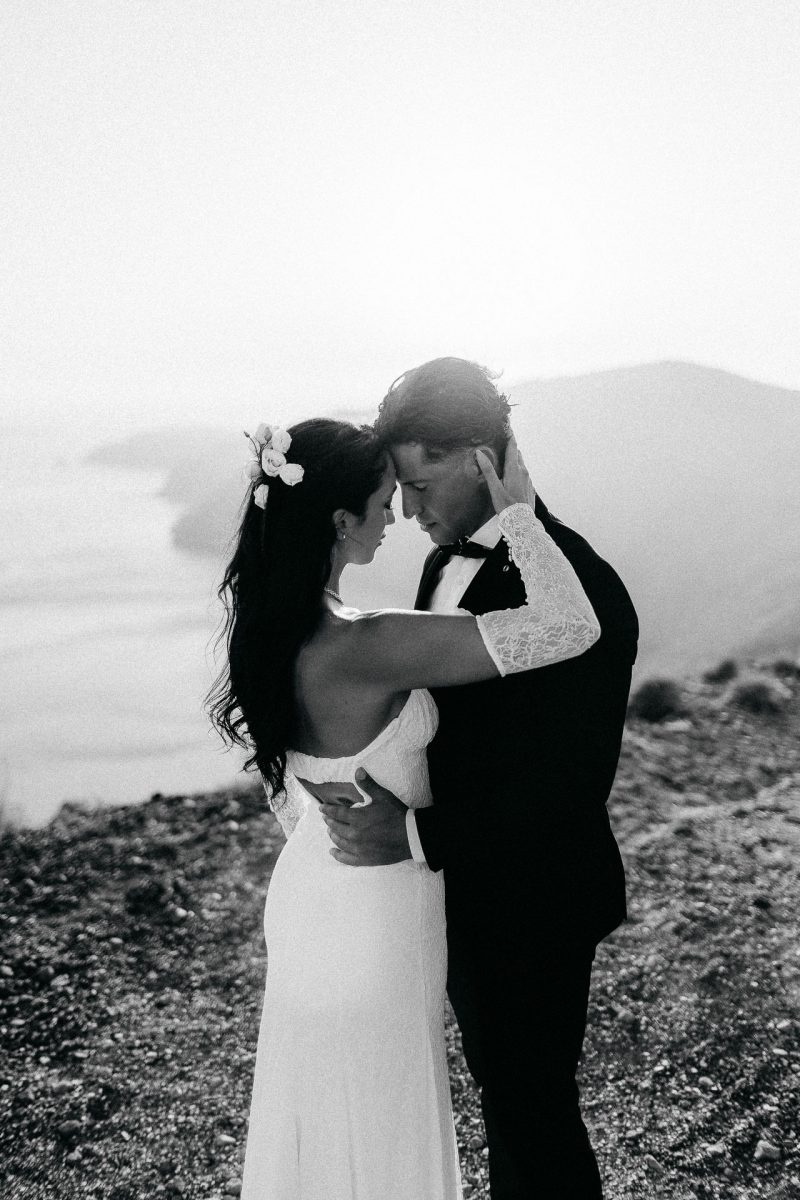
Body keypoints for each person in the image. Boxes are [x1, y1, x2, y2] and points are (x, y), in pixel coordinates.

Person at [207, 412, 602, 1200]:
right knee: (384, 1113)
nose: (396, 518)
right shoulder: (369, 642)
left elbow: (294, 792)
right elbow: (569, 625)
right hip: (377, 908)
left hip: (312, 891)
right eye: (385, 501)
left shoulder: (267, 629)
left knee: (323, 1111)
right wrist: (519, 510)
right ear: (340, 521)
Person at [317, 358, 639, 1199]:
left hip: (537, 899)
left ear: (481, 462)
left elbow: (566, 783)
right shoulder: (441, 565)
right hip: (461, 891)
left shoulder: (584, 587)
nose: (410, 511)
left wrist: (414, 833)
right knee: (506, 1101)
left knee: (532, 1108)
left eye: (419, 486)